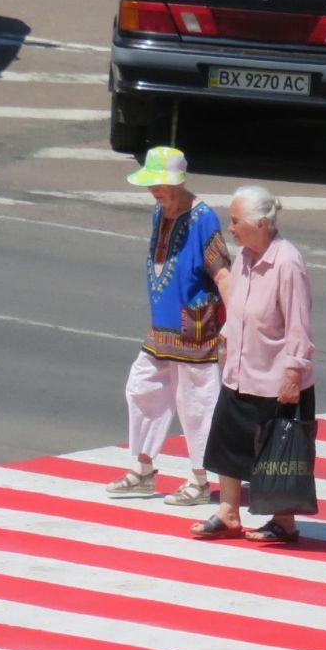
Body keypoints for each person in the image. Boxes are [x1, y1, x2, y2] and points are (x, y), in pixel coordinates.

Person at [105, 146, 229, 508]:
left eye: (160, 184)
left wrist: (235, 323)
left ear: (179, 182)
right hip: (162, 329)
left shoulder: (203, 218)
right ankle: (144, 469)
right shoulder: (159, 212)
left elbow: (222, 272)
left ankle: (200, 479)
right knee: (141, 388)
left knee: (197, 404)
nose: (154, 190)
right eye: (151, 184)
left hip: (195, 329)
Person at [195, 184, 314, 544]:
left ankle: (284, 521)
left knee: (276, 452)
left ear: (261, 224)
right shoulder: (246, 257)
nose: (230, 228)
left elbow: (298, 324)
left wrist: (293, 374)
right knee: (227, 442)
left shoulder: (287, 262)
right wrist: (225, 341)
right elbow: (239, 309)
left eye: (236, 221)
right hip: (240, 372)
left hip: (276, 379)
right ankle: (229, 513)